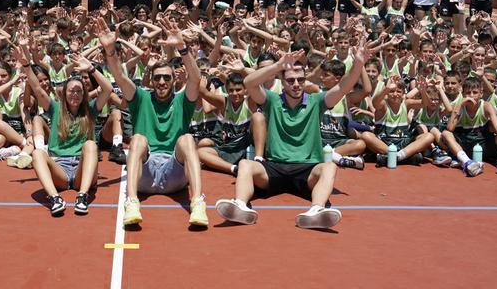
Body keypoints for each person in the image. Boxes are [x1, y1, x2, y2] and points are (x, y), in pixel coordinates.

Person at [215, 45, 369, 229]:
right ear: (283, 81)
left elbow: (344, 87)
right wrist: (278, 65)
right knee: (245, 164)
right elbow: (249, 83)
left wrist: (359, 63)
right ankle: (240, 205)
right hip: (275, 166)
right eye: (290, 80)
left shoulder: (317, 102)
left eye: (300, 80)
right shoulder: (272, 100)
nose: (296, 84)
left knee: (329, 167)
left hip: (307, 169)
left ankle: (316, 211)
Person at [97, 17, 208, 228]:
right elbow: (120, 77)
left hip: (174, 172)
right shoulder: (141, 98)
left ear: (174, 80)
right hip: (145, 175)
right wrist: (110, 51)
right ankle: (131, 203)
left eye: (167, 78)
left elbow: (195, 79)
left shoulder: (182, 101)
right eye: (157, 78)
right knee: (138, 139)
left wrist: (182, 48)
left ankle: (197, 203)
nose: (162, 82)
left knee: (186, 139)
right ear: (151, 79)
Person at [27, 55, 112, 215]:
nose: (75, 94)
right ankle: (54, 198)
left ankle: (82, 196)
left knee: (90, 145)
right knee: (37, 153)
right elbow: (37, 89)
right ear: (64, 94)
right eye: (71, 91)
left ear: (84, 94)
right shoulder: (55, 109)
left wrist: (92, 69)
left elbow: (107, 89)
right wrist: (26, 65)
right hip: (60, 170)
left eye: (79, 91)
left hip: (82, 169)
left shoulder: (90, 110)